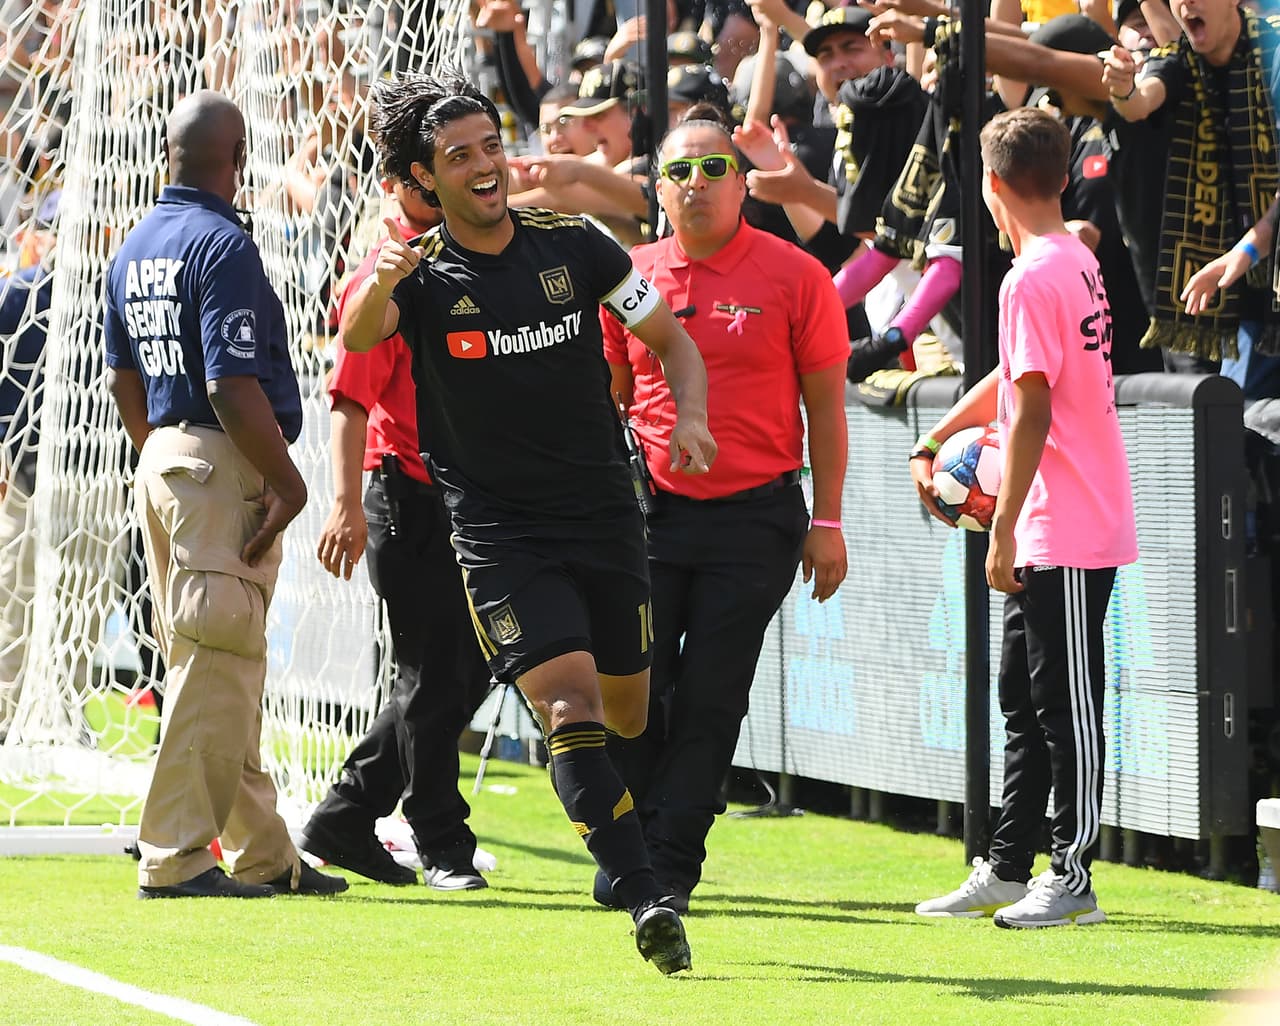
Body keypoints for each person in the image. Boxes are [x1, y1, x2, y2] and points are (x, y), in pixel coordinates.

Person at [340, 69, 716, 975]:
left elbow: (671, 339)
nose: (481, 166)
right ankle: (643, 895)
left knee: (627, 708)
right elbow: (358, 339)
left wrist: (692, 415)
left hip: (603, 515)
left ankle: (625, 855)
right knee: (566, 705)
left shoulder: (576, 247)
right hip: (499, 532)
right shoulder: (420, 277)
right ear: (426, 178)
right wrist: (381, 277)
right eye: (457, 155)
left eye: (488, 147)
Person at [600, 105, 849, 910]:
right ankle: (636, 842)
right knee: (636, 693)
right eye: (679, 171)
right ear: (656, 191)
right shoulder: (629, 278)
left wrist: (829, 521)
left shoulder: (795, 275)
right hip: (648, 519)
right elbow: (607, 404)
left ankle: (669, 870)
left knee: (712, 695)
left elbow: (827, 409)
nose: (697, 183)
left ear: (745, 184)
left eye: (715, 168)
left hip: (754, 520)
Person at [103, 90, 347, 900]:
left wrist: (165, 460)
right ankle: (174, 857)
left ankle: (266, 854)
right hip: (219, 457)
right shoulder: (223, 245)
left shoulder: (134, 244)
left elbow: (122, 380)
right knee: (217, 661)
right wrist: (285, 480)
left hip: (165, 458)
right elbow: (231, 381)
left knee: (219, 661)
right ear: (236, 158)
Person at [909, 107, 1136, 927]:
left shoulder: (1033, 274)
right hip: (1051, 518)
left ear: (992, 185)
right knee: (1025, 695)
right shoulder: (1068, 254)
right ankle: (1008, 864)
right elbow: (1013, 379)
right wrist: (938, 438)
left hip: (1064, 523)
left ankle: (1071, 878)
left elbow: (1031, 410)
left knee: (1066, 705)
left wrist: (1001, 528)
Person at [301, 176, 493, 891]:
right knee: (435, 675)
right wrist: (344, 503)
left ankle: (348, 814)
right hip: (409, 495)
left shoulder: (483, 253)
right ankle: (442, 840)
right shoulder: (382, 275)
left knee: (466, 670)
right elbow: (350, 399)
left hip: (476, 498)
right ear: (399, 184)